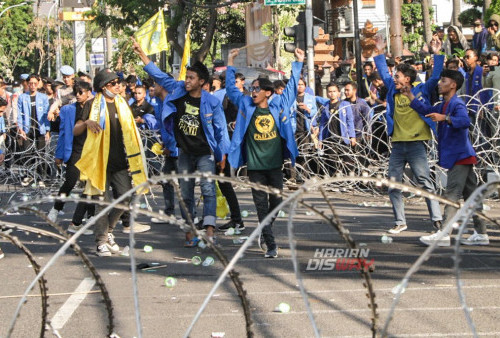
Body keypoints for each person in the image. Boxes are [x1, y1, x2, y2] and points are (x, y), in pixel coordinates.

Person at [132, 37, 230, 247]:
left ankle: (210, 230)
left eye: (192, 78)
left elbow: (221, 131)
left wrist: (223, 156)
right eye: (187, 77)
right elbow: (157, 74)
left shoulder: (212, 102)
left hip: (205, 153)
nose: (187, 81)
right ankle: (190, 231)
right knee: (185, 194)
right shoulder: (177, 89)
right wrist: (141, 53)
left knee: (208, 190)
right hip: (184, 152)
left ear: (202, 82)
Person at [226, 47, 304, 258]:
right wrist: (230, 62)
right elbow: (231, 90)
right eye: (252, 88)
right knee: (261, 206)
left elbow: (292, 88)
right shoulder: (245, 104)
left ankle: (264, 230)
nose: (253, 91)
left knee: (276, 204)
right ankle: (271, 244)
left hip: (275, 165)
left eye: (257, 88)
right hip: (255, 167)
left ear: (268, 92)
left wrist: (298, 62)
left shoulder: (278, 104)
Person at [401, 69, 489, 246]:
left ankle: (444, 233)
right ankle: (481, 233)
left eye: (443, 81)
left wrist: (445, 118)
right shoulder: (443, 104)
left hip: (460, 156)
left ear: (453, 85)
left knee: (451, 195)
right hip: (461, 156)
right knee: (472, 196)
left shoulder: (457, 104)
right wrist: (410, 94)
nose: (439, 84)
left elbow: (465, 121)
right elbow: (425, 109)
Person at [73, 68, 149, 257]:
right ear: (104, 86)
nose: (118, 86)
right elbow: (76, 130)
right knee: (102, 203)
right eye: (114, 83)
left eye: (118, 83)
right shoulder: (91, 105)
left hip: (120, 161)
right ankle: (100, 242)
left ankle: (108, 232)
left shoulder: (123, 103)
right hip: (99, 162)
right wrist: (86, 123)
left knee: (125, 197)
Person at [374, 46, 444, 234]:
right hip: (397, 144)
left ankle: (437, 220)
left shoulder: (421, 89)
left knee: (425, 182)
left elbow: (435, 77)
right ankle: (400, 222)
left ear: (407, 79)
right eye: (394, 76)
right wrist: (378, 53)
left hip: (416, 144)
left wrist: (437, 54)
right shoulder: (393, 91)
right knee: (393, 184)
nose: (394, 78)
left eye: (398, 76)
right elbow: (382, 71)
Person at [47, 81, 95, 235]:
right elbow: (62, 134)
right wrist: (59, 155)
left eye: (81, 92)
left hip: (91, 151)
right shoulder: (68, 110)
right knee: (70, 181)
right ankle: (56, 209)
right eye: (76, 92)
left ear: (89, 92)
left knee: (91, 184)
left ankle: (90, 217)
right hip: (74, 150)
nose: (79, 95)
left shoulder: (96, 108)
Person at [17, 74, 50, 186]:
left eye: (35, 83)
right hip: (27, 129)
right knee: (27, 152)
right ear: (27, 83)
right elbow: (19, 114)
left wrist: (47, 130)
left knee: (41, 153)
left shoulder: (43, 97)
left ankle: (41, 177)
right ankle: (28, 175)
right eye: (30, 83)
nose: (32, 86)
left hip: (40, 128)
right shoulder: (22, 97)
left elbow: (46, 115)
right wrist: (20, 129)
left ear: (38, 83)